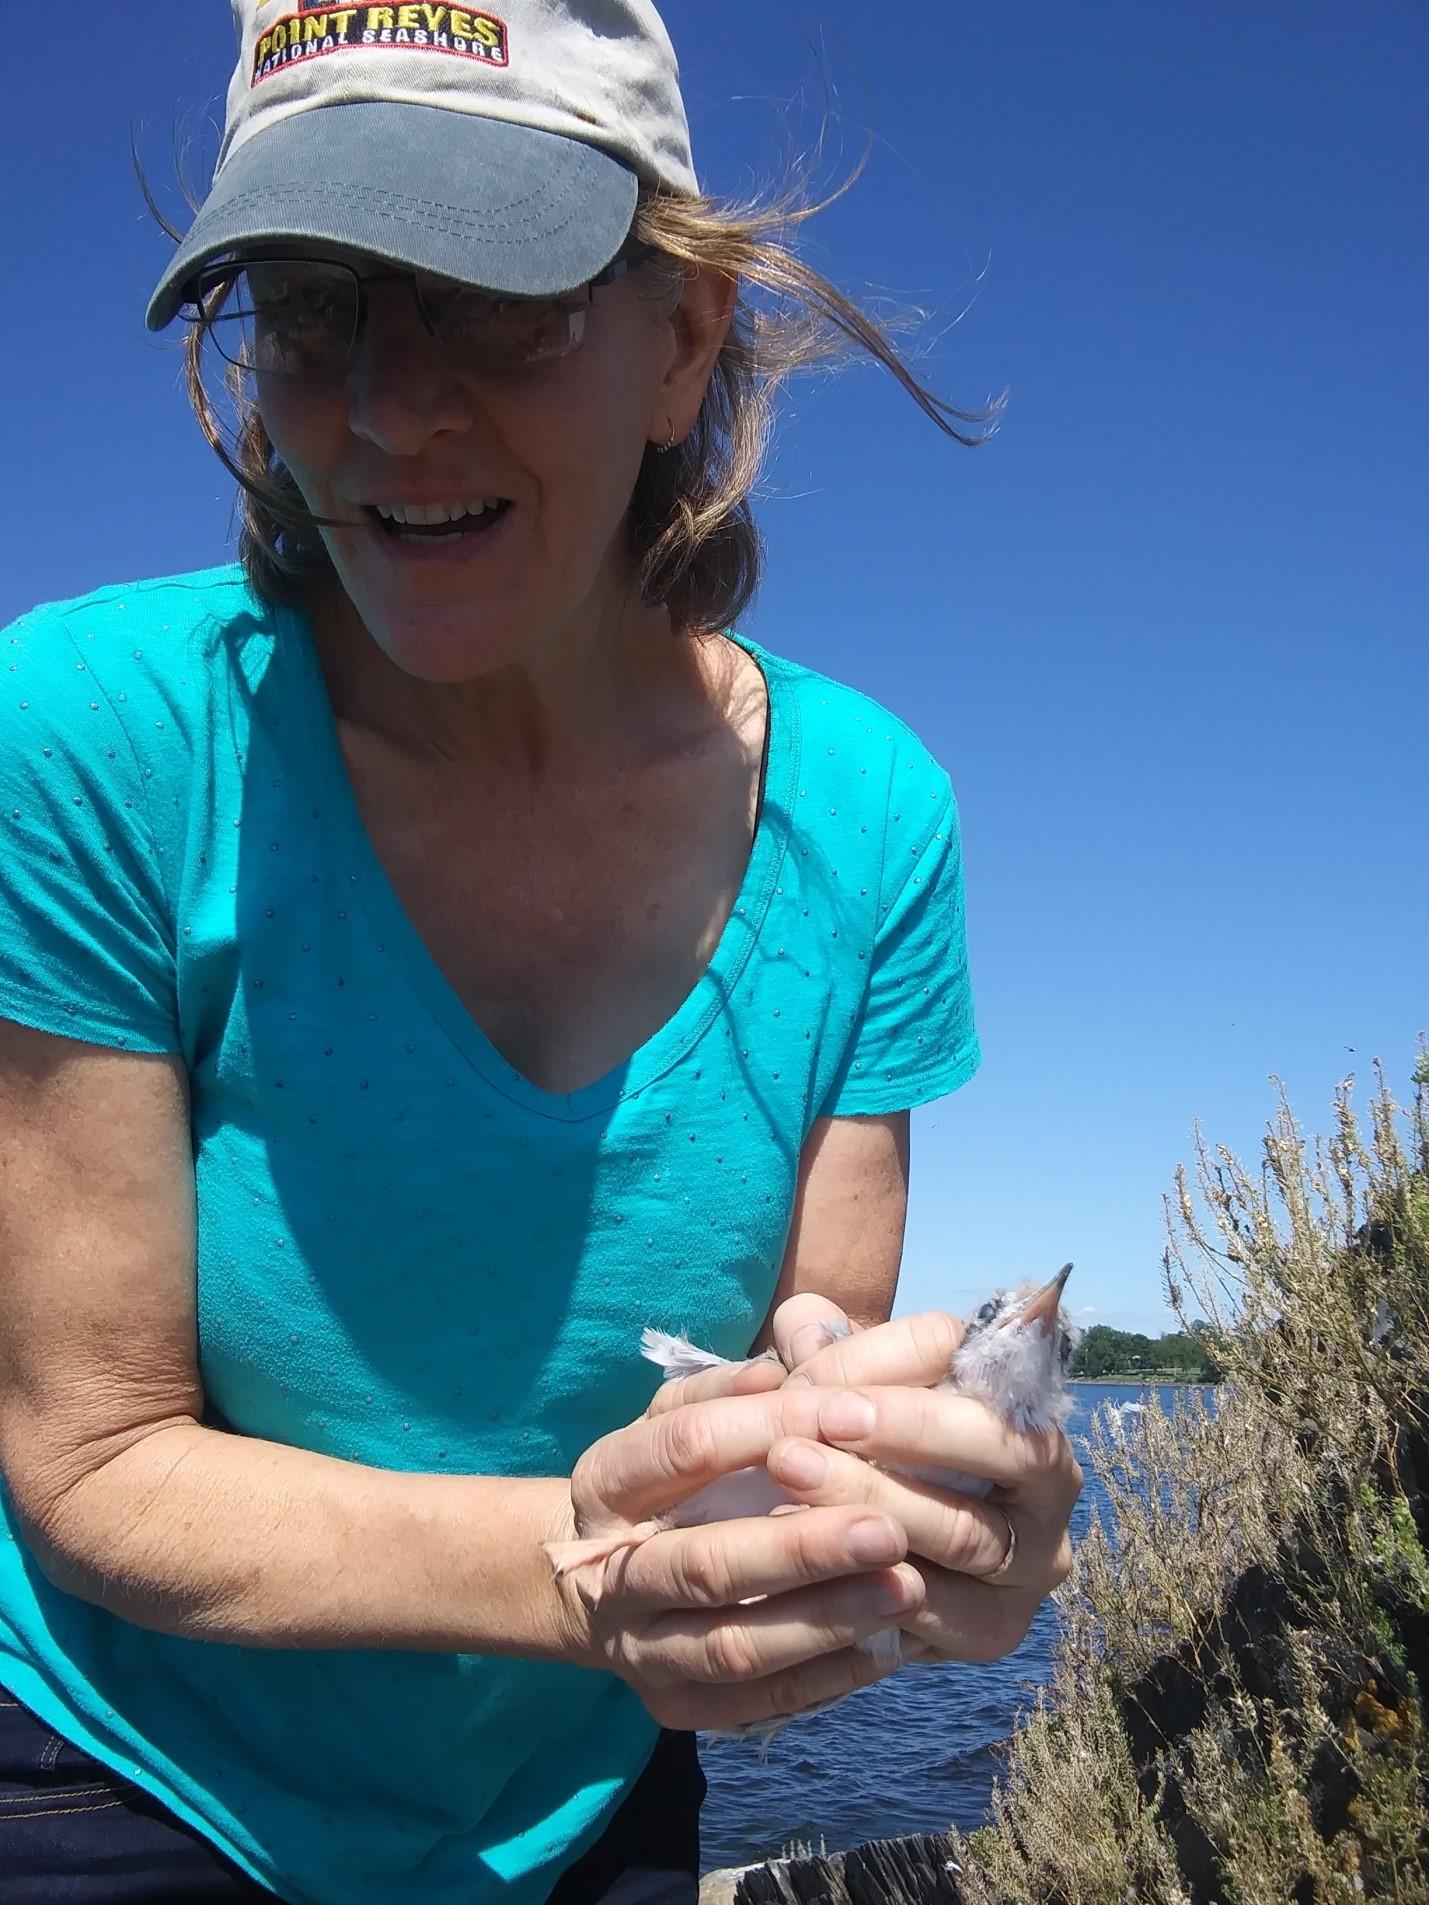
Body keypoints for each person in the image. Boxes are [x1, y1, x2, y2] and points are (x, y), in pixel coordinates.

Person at [0, 3, 1082, 1900]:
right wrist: (587, 1574)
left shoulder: (870, 824)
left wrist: (914, 1540)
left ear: (679, 339)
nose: (393, 409)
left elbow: (783, 1398)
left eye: (494, 299)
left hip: (582, 1803)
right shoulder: (89, 734)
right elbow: (90, 1465)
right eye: (317, 304)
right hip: (133, 1782)